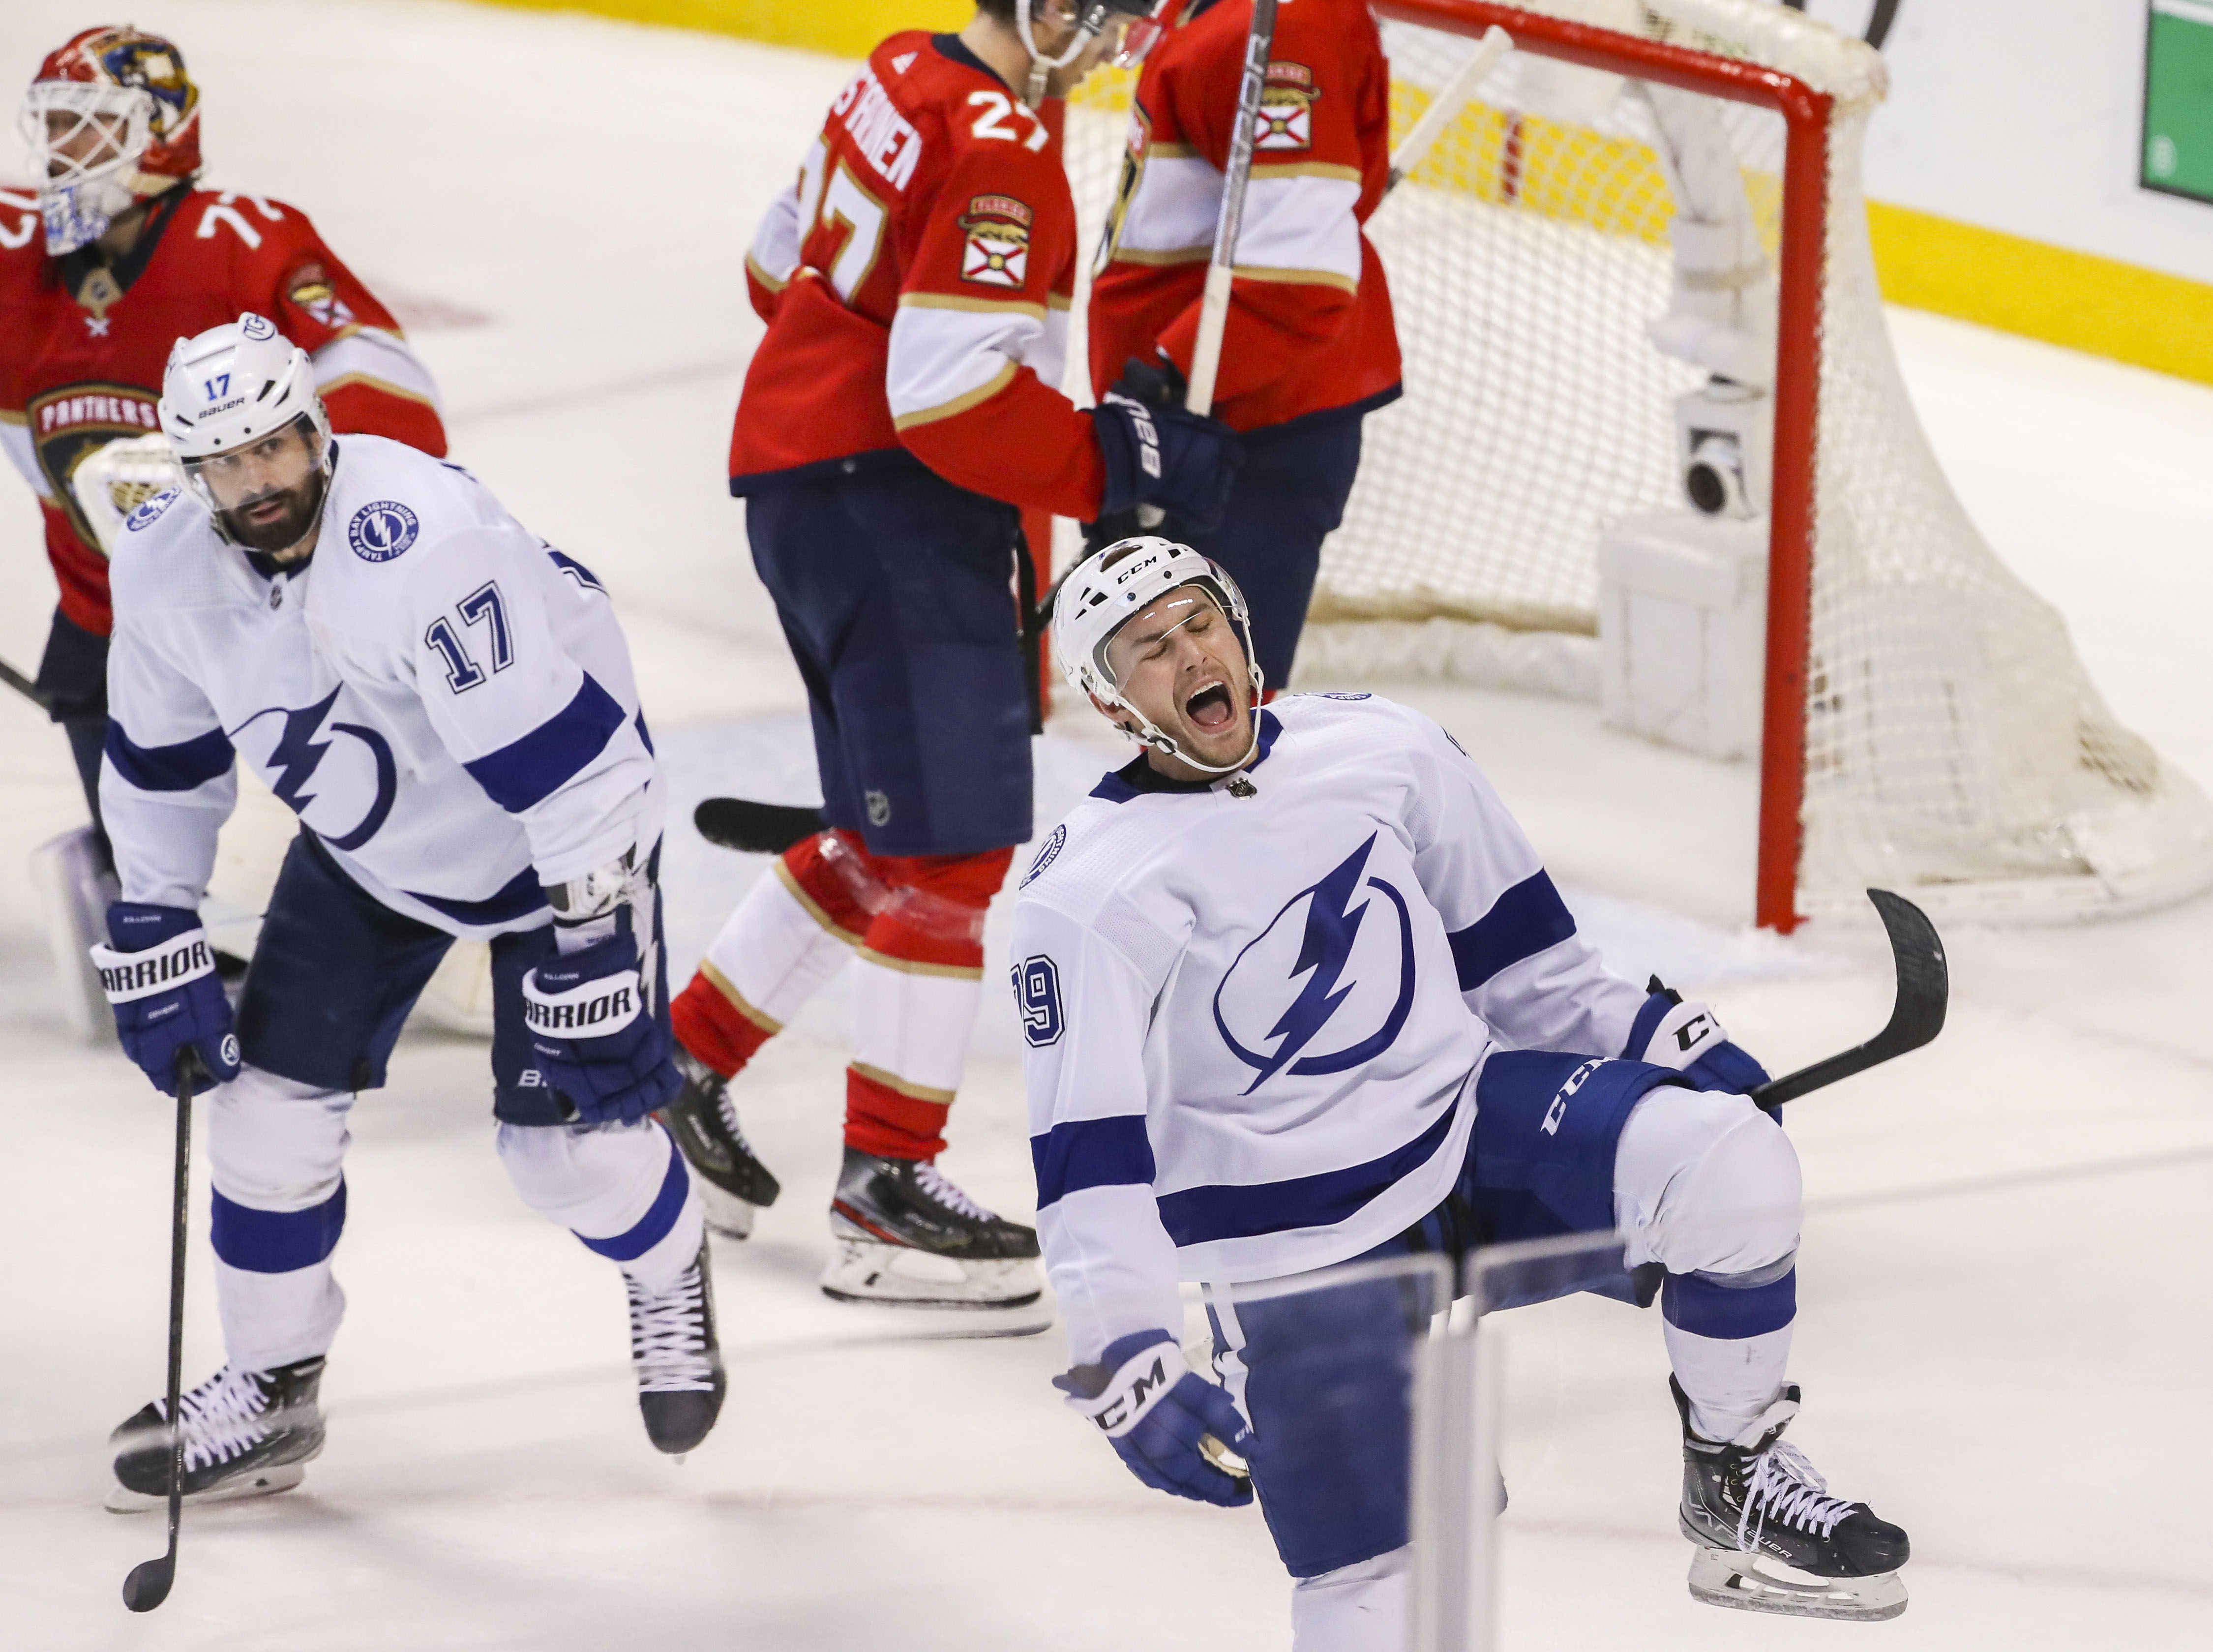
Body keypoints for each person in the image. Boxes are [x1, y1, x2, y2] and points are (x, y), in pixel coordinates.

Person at [1012, 537, 1912, 1646]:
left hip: (1464, 1138)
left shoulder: (1381, 745)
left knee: (1730, 1164)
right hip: (1293, 1246)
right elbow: (1085, 1164)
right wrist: (1123, 1356)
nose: (1187, 652)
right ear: (1113, 702)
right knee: (1387, 1584)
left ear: (1240, 628)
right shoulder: (1086, 895)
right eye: (1148, 648)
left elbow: (1523, 966)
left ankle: (1736, 1473)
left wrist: (1657, 1036)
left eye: (1199, 621)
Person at [662, 0, 1236, 1310]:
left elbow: (774, 271)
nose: (1111, 47)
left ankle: (675, 1075)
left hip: (803, 490)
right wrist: (1112, 459)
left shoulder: (902, 69)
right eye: (1103, 20)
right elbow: (946, 397)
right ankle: (888, 1194)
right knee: (954, 855)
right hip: (897, 513)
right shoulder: (1002, 146)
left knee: (890, 837)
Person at [91, 315, 717, 1509]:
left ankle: (670, 1259)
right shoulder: (163, 569)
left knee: (564, 1158)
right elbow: (164, 766)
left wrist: (593, 940)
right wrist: (157, 919)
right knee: (262, 1123)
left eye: (275, 446)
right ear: (191, 472)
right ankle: (273, 1391)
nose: (258, 480)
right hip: (370, 857)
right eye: (226, 463)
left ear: (316, 429)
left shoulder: (421, 542)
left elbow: (569, 767)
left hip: (553, 846)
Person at [0, 27, 446, 874]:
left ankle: (422, 883)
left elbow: (392, 394)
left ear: (162, 132)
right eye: (52, 126)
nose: (62, 152)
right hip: (111, 607)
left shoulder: (243, 241)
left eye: (88, 125)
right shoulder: (12, 256)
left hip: (279, 596)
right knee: (141, 830)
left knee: (377, 784)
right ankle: (159, 912)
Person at [1085, 0, 1401, 693]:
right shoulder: (1220, 17)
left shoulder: (1279, 28)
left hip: (1245, 421)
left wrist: (1163, 378)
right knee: (1179, 699)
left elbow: (1299, 279)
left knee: (1222, 711)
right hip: (1204, 408)